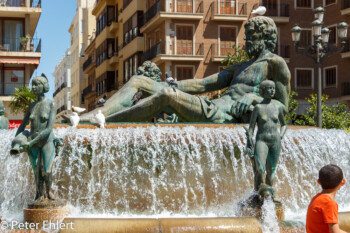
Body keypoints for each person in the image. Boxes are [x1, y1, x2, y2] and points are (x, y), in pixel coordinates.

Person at [79, 16, 290, 123]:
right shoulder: (241, 66)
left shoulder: (275, 64)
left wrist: (254, 99)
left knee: (166, 96)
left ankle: (106, 121)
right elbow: (202, 84)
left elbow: (283, 106)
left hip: (223, 115)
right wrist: (159, 83)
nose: (245, 40)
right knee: (139, 81)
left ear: (265, 38)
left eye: (251, 36)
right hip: (211, 106)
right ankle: (97, 114)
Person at [13, 74, 57, 201]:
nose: (34, 87)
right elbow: (22, 125)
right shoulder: (31, 106)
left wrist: (31, 142)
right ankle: (39, 193)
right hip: (32, 142)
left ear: (44, 87)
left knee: (47, 171)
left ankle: (49, 191)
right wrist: (16, 141)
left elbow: (49, 129)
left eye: (37, 85)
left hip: (46, 140)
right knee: (36, 172)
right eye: (33, 85)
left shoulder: (51, 104)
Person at [246, 80, 287, 192]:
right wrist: (249, 140)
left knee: (272, 170)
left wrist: (281, 136)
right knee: (260, 168)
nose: (272, 90)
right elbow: (251, 128)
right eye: (269, 88)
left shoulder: (278, 108)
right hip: (261, 140)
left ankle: (268, 193)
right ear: (263, 90)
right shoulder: (258, 108)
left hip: (275, 141)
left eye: (273, 88)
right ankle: (258, 190)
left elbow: (284, 125)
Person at [306, 164, 346, 233]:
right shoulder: (329, 203)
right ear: (343, 182)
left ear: (318, 182)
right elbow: (335, 232)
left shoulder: (316, 198)